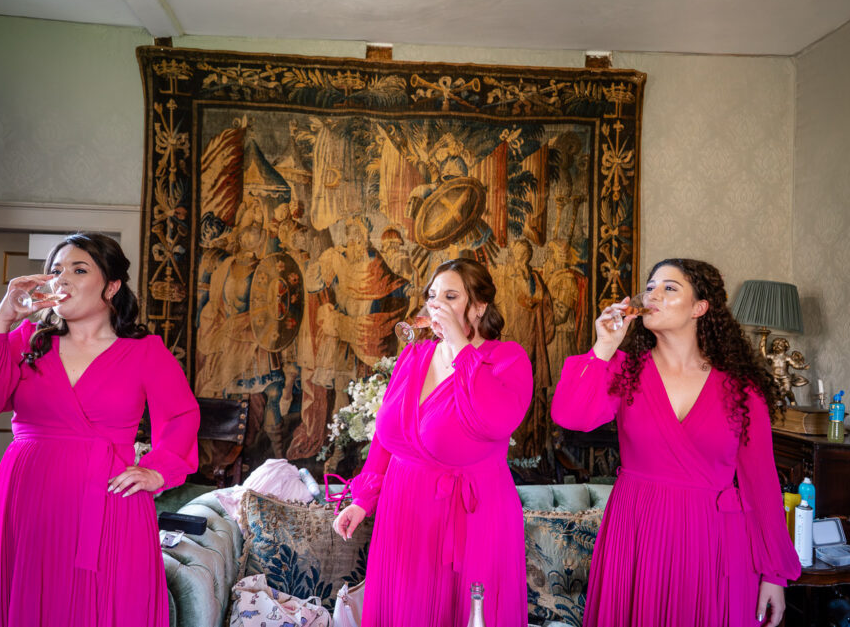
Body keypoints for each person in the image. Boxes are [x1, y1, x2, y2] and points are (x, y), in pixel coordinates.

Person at [0, 233, 199, 627]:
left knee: (104, 607)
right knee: (26, 603)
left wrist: (157, 468)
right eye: (56, 271)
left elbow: (182, 416)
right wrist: (4, 318)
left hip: (110, 501)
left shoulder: (146, 351)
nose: (62, 279)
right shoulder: (25, 341)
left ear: (112, 286)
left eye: (79, 270)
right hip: (26, 498)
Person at [551, 258, 800, 627]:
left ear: (700, 308)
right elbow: (570, 416)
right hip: (636, 531)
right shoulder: (623, 369)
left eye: (670, 288)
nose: (654, 294)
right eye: (650, 287)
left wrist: (774, 574)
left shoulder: (742, 389)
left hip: (713, 542)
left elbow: (761, 484)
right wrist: (603, 347)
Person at [332, 258, 533, 627]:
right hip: (403, 516)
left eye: (451, 296)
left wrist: (461, 346)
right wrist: (363, 500)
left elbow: (495, 420)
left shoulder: (507, 360)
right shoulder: (414, 356)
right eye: (432, 295)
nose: (436, 305)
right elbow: (385, 437)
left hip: (471, 520)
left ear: (479, 306)